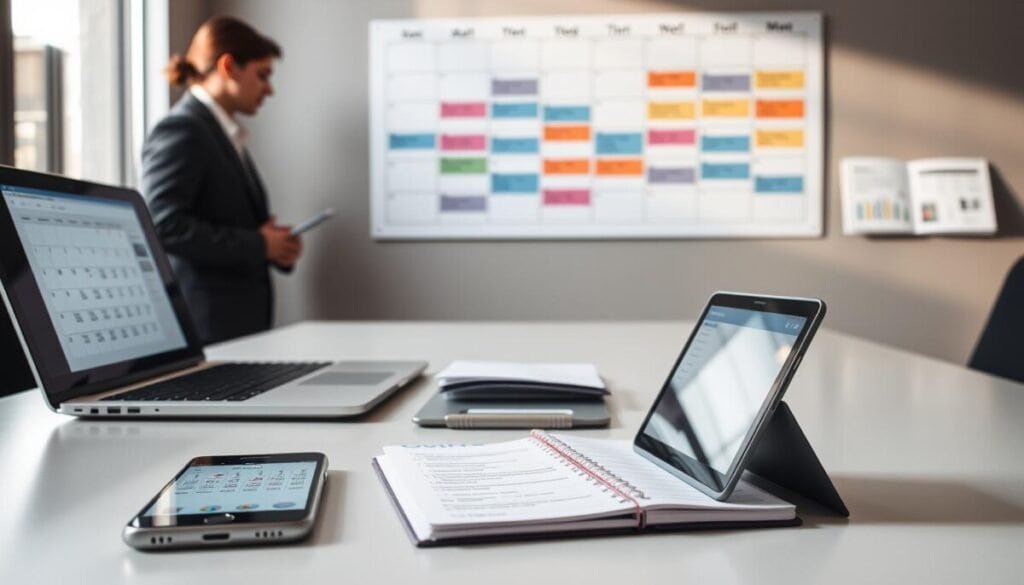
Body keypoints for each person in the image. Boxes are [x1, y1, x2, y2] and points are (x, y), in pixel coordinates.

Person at [141, 16, 301, 344]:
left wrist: (272, 245)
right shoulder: (183, 129)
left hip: (236, 328)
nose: (269, 89)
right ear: (228, 66)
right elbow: (163, 225)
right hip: (209, 329)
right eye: (263, 75)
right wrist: (259, 244)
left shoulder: (223, 133)